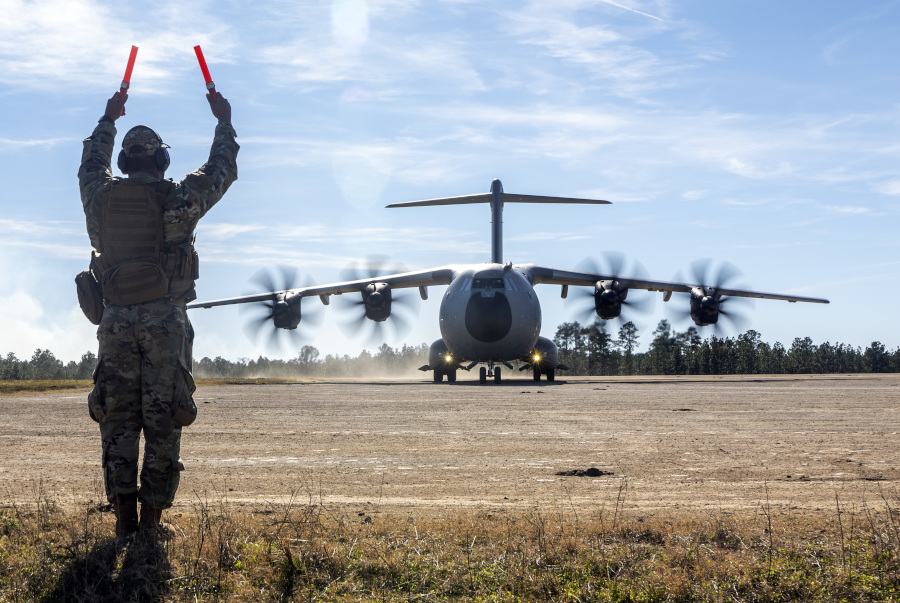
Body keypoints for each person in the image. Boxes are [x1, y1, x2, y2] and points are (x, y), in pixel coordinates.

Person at [78, 88, 238, 541]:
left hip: (114, 322)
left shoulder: (100, 199)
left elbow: (90, 165)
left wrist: (108, 118)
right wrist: (223, 122)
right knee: (163, 415)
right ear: (162, 161)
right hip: (164, 322)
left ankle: (124, 517)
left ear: (125, 163)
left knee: (118, 417)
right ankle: (152, 520)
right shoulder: (179, 199)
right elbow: (221, 170)